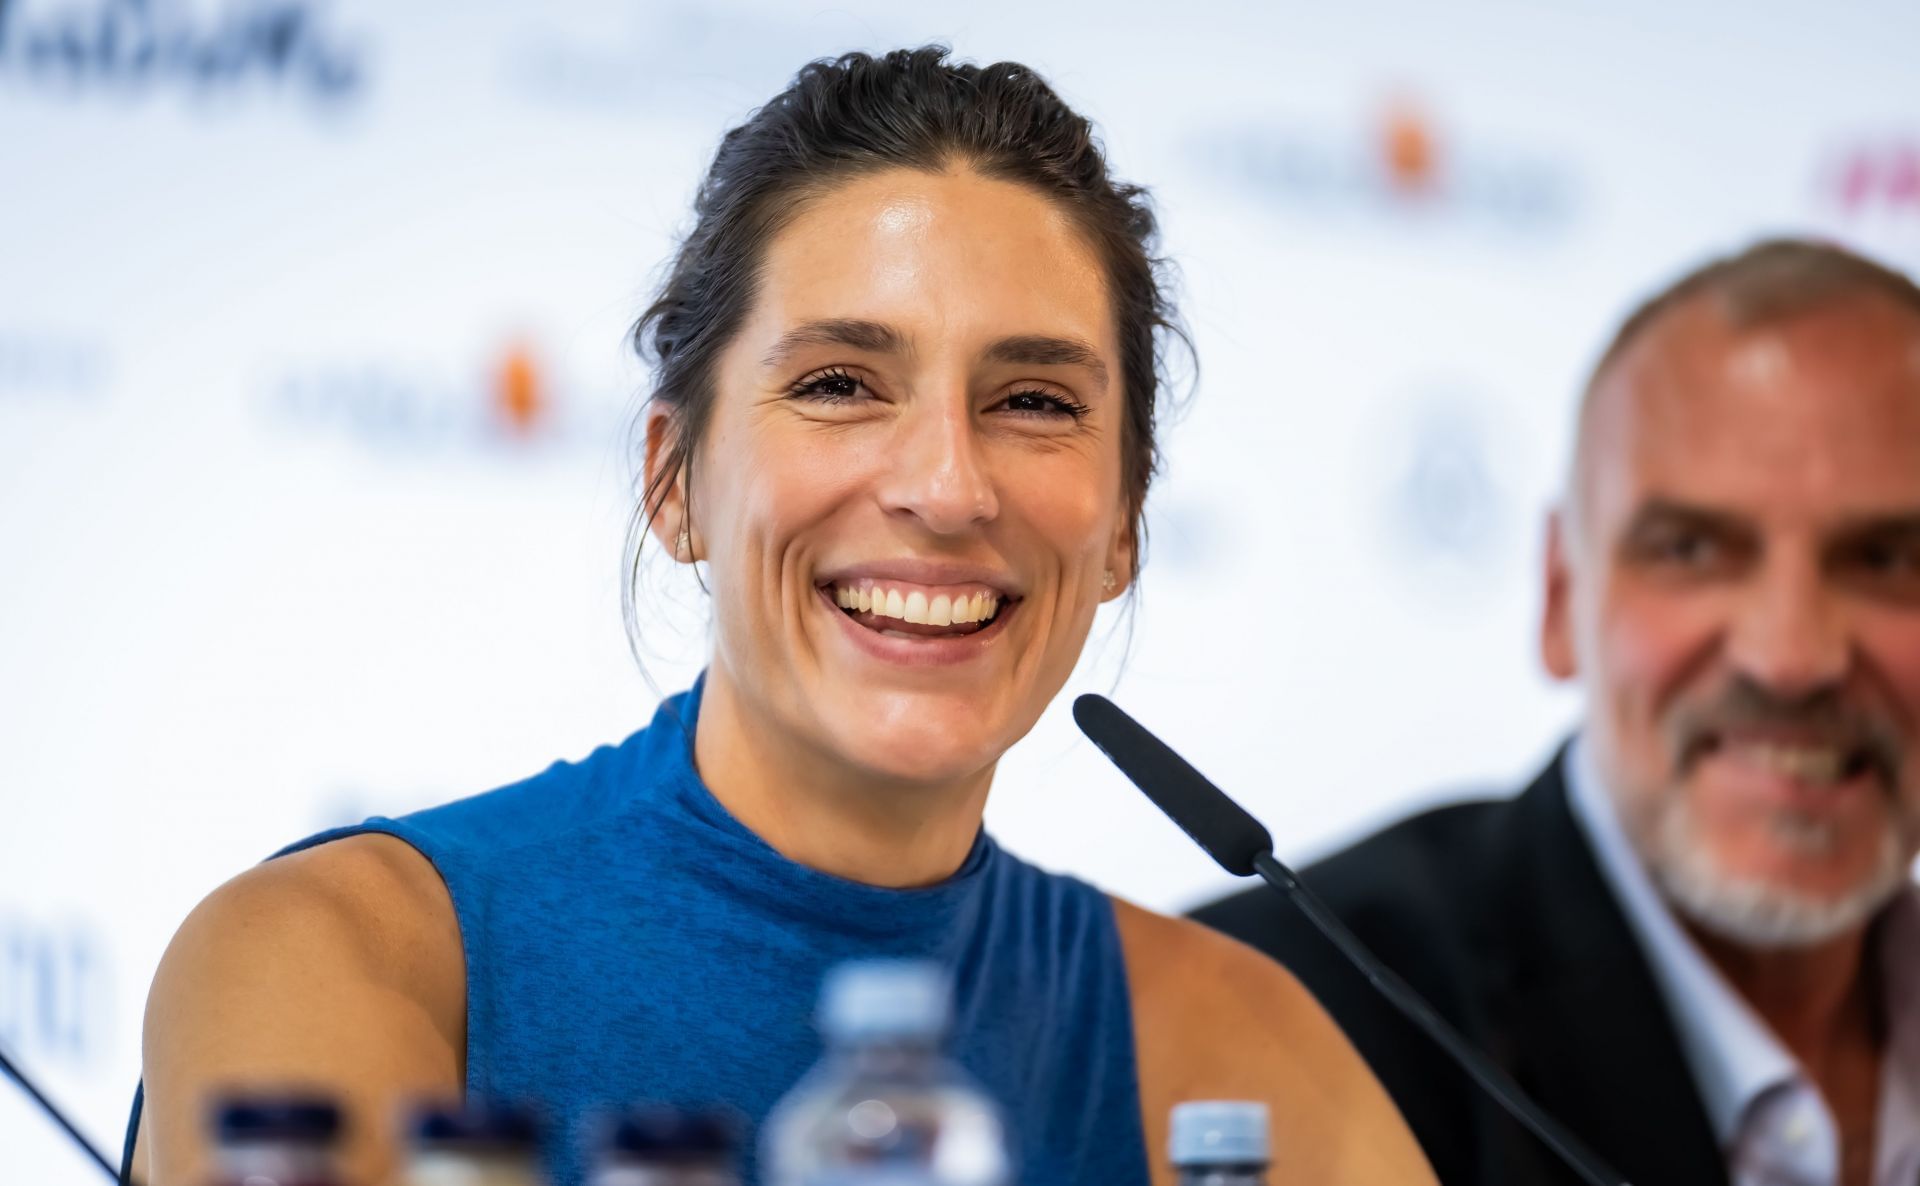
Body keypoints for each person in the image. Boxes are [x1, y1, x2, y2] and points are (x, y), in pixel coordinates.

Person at [125, 48, 1435, 1186]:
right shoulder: (336, 953)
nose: (945, 485)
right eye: (840, 381)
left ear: (1126, 528)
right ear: (674, 482)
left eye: (1034, 400)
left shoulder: (1241, 1049)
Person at [1196, 238, 1920, 1186]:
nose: (1790, 660)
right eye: (1694, 551)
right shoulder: (1275, 1016)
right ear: (1557, 595)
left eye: (1887, 561)